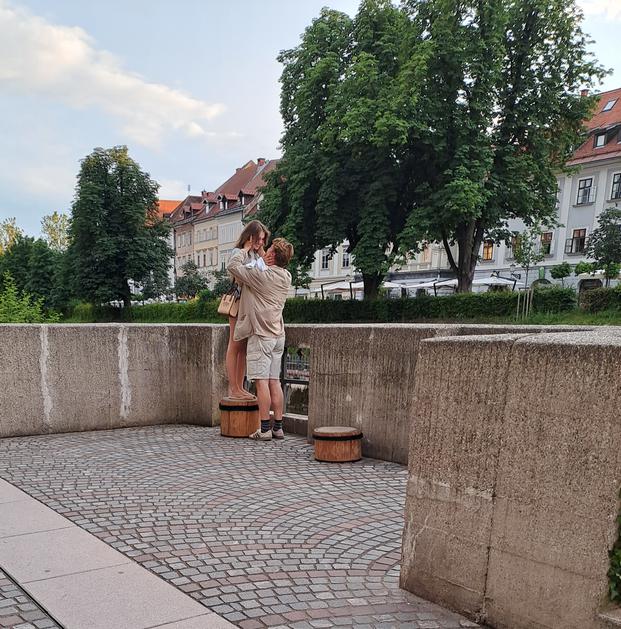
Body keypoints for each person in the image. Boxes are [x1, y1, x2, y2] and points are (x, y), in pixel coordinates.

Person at [227, 237, 294, 440]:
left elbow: (233, 266)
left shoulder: (261, 276)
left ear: (272, 255)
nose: (266, 250)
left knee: (261, 382)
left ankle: (264, 429)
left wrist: (245, 248)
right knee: (275, 381)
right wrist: (264, 257)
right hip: (278, 335)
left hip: (262, 335)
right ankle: (278, 428)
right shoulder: (286, 276)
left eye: (269, 249)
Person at [225, 220, 270, 400]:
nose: (260, 242)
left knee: (243, 347)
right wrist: (246, 249)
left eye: (263, 239)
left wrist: (261, 251)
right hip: (238, 303)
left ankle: (240, 386)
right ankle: (233, 388)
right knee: (234, 344)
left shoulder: (256, 255)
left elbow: (268, 269)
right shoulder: (239, 252)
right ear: (250, 237)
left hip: (250, 306)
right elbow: (233, 268)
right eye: (258, 239)